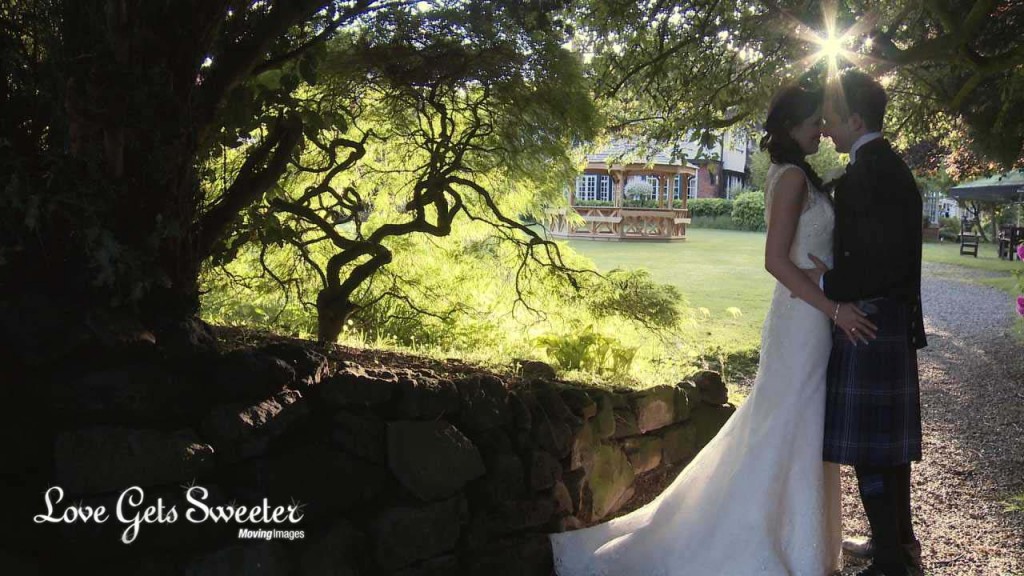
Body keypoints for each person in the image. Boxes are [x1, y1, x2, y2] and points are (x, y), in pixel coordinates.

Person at [547, 82, 877, 576]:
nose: (823, 132)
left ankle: (797, 536)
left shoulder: (800, 175)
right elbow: (774, 261)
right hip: (803, 320)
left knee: (794, 425)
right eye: (814, 124)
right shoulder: (789, 180)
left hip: (809, 319)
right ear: (791, 127)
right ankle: (755, 537)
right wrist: (834, 309)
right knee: (787, 423)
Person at [806, 69, 927, 576]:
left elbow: (879, 261)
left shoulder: (865, 177)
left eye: (833, 120)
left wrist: (830, 285)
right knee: (889, 446)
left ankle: (890, 565)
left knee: (872, 450)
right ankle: (898, 543)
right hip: (890, 316)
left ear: (856, 120)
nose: (829, 130)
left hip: (869, 318)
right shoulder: (890, 167)